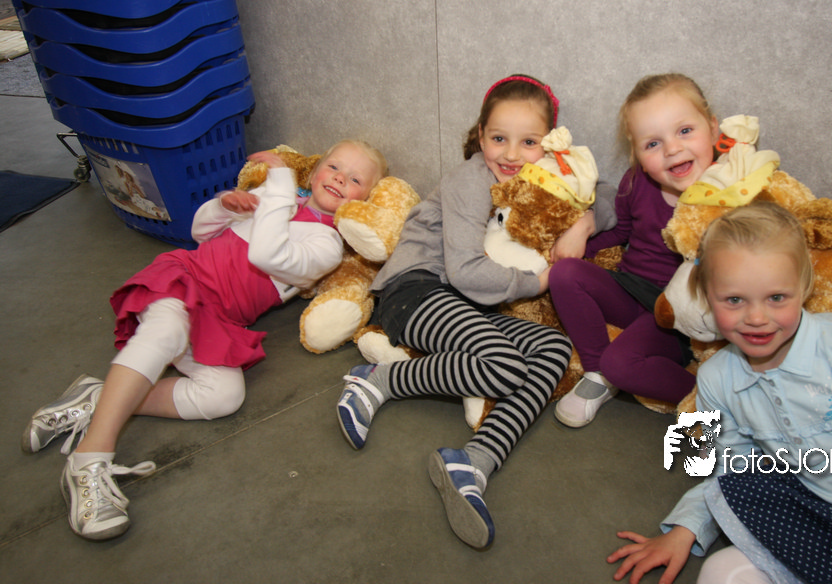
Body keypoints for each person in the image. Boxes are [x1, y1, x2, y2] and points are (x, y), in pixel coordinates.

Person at [23, 140, 387, 541]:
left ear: (364, 201)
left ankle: (98, 397)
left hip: (218, 319)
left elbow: (266, 255)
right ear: (315, 172)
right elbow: (199, 231)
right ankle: (89, 458)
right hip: (185, 281)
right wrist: (224, 207)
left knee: (224, 397)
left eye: (355, 179)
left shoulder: (326, 245)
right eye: (334, 167)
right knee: (166, 332)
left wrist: (281, 183)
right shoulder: (274, 197)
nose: (340, 178)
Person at [608, 201, 832, 584]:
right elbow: (731, 469)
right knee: (721, 572)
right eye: (734, 300)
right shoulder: (714, 378)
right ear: (706, 296)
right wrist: (686, 527)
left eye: (777, 298)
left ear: (803, 285)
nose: (757, 318)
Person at [335, 74, 616, 549]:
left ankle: (474, 462)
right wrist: (541, 282)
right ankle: (379, 380)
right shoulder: (470, 180)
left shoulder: (549, 175)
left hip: (468, 306)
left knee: (551, 346)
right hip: (416, 292)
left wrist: (583, 223)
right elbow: (465, 271)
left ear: (550, 144)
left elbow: (608, 196)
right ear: (481, 135)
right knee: (505, 366)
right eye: (498, 138)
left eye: (528, 142)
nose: (511, 154)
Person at [549, 73, 715, 427]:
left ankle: (709, 400)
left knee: (621, 364)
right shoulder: (637, 181)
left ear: (713, 128)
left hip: (675, 316)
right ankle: (596, 372)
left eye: (685, 131)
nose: (672, 149)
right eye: (652, 143)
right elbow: (621, 232)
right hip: (631, 288)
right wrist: (578, 239)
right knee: (563, 273)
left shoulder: (731, 191)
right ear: (636, 153)